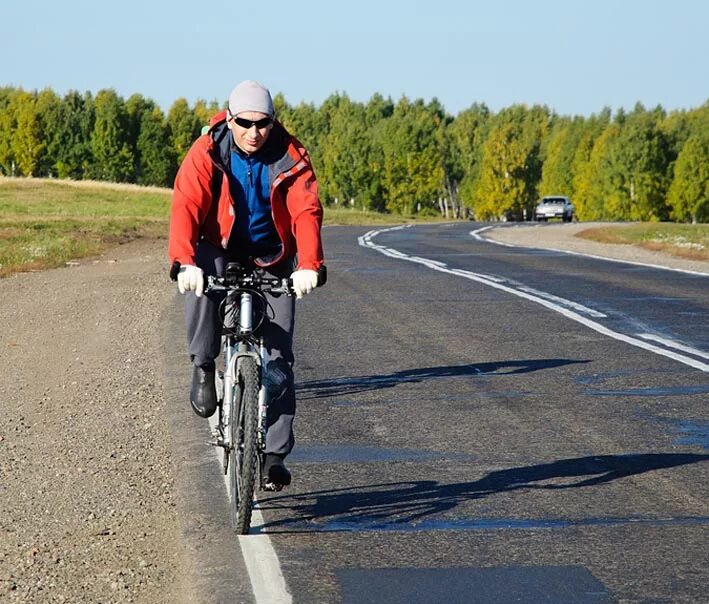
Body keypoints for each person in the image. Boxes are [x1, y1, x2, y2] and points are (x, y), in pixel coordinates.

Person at [168, 80, 324, 488]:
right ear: (230, 118)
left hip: (272, 254)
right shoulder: (208, 150)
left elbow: (306, 209)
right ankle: (204, 364)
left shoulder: (290, 155)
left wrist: (308, 264)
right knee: (201, 283)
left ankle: (274, 455)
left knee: (279, 355)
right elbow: (186, 203)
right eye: (245, 123)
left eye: (262, 124)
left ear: (272, 122)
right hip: (218, 246)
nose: (254, 132)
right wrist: (183, 261)